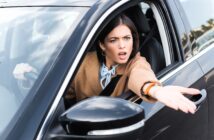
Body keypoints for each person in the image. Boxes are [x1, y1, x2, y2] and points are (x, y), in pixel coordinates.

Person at [65, 14, 200, 114]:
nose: (122, 45)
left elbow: (141, 75)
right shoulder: (82, 63)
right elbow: (64, 97)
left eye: (127, 38)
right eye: (113, 40)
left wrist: (155, 90)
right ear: (102, 45)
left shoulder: (136, 63)